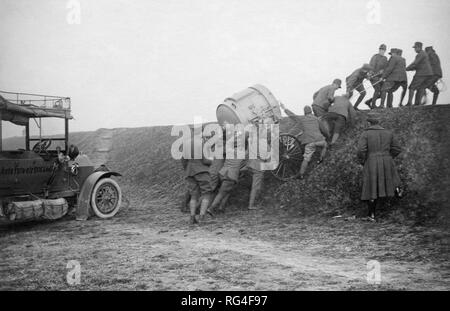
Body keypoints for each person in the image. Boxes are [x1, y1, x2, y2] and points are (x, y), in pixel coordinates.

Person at [357, 112, 402, 221]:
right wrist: (388, 156)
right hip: (387, 159)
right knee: (390, 178)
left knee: (371, 187)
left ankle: (371, 215)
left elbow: (361, 150)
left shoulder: (366, 134)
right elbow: (397, 148)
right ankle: (397, 190)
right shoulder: (389, 133)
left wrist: (363, 160)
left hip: (372, 160)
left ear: (368, 122)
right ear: (379, 121)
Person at [280, 103, 327, 179]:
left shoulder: (302, 119)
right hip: (319, 141)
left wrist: (284, 108)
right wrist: (327, 136)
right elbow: (324, 130)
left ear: (304, 113)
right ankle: (321, 159)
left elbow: (292, 115)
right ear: (311, 112)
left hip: (309, 143)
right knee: (325, 145)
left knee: (306, 159)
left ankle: (301, 174)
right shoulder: (317, 119)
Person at [181, 135, 213, 224]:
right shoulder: (202, 143)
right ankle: (202, 217)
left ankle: (192, 218)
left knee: (194, 195)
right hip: (201, 171)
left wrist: (187, 169)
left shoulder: (186, 143)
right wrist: (213, 161)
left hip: (189, 171)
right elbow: (205, 160)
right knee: (207, 193)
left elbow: (183, 160)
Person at [406, 42, 433, 106]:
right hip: (428, 74)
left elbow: (415, 64)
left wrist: (406, 68)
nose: (414, 49)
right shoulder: (424, 53)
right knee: (421, 87)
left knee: (411, 87)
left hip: (421, 73)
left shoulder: (420, 54)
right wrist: (411, 68)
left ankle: (409, 103)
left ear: (419, 47)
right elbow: (418, 65)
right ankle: (418, 103)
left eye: (415, 48)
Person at [366, 44, 389, 108]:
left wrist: (383, 72)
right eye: (380, 49)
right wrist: (370, 74)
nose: (382, 51)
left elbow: (386, 68)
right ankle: (373, 105)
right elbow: (371, 66)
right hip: (374, 77)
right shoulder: (375, 57)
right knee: (377, 89)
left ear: (385, 51)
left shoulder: (385, 58)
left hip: (381, 78)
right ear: (379, 50)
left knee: (383, 91)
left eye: (383, 50)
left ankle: (370, 102)